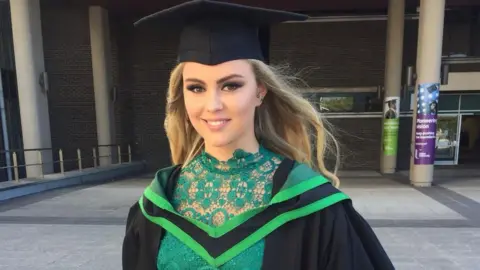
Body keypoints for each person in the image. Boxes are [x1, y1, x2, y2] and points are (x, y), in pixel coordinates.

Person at [122, 1, 394, 269]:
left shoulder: (312, 205)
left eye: (230, 86)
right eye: (196, 88)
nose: (212, 105)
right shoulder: (155, 206)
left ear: (260, 91)